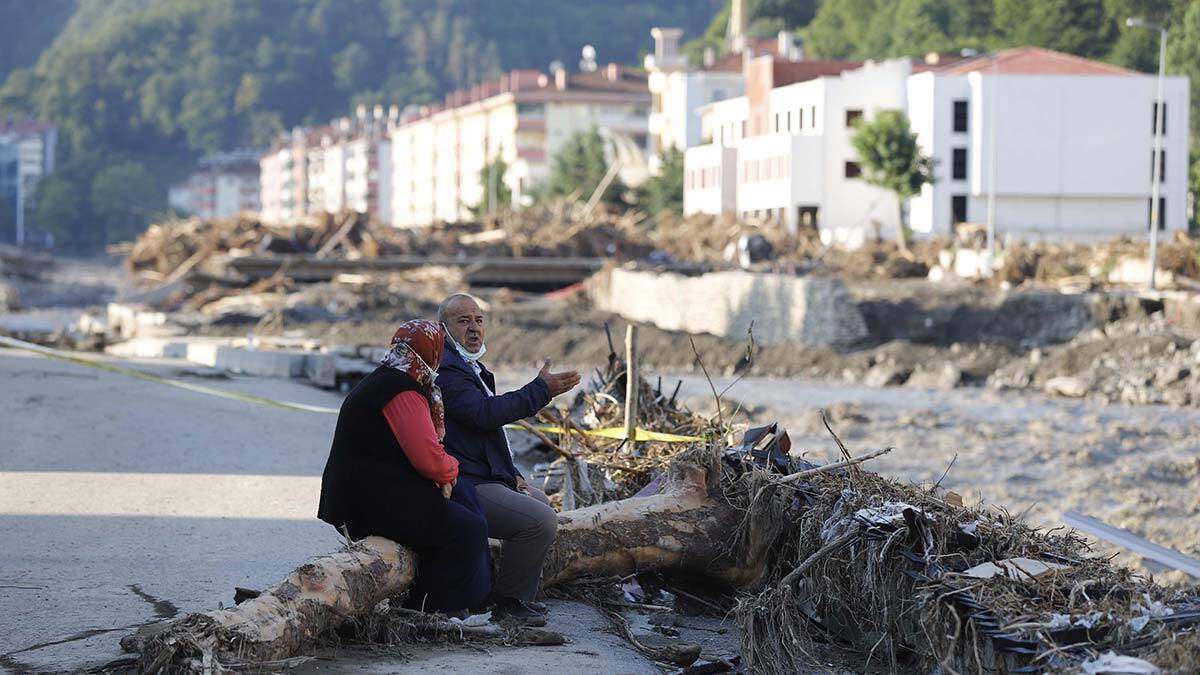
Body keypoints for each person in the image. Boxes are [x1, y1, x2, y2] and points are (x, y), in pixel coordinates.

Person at [317, 319, 491, 614]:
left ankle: (473, 597)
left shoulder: (389, 377)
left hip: (374, 491)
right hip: (368, 502)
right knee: (467, 529)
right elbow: (429, 458)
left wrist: (447, 475)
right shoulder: (402, 390)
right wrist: (449, 471)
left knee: (466, 499)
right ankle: (436, 608)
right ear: (432, 352)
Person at [436, 293, 580, 621]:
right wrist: (540, 391)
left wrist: (511, 472)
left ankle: (509, 593)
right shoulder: (447, 370)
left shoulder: (473, 369)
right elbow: (485, 415)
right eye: (463, 321)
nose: (474, 328)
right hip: (462, 482)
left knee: (540, 502)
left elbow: (487, 434)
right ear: (443, 330)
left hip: (477, 473)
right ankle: (510, 605)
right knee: (539, 520)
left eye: (479, 320)